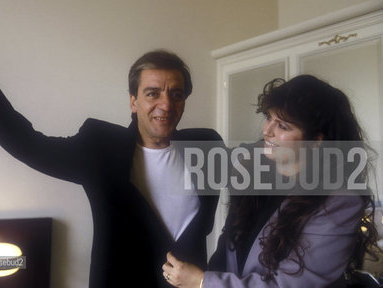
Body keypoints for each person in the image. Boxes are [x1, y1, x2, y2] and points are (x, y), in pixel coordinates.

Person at [0, 26, 221, 288]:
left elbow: (256, 185)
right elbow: (31, 146)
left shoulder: (207, 146)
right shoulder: (100, 148)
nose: (166, 104)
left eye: (177, 94)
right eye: (153, 93)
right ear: (133, 102)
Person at [162, 75, 380, 288]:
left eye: (283, 126)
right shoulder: (254, 177)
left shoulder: (339, 202)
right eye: (268, 117)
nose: (267, 131)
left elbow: (292, 284)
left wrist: (201, 282)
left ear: (316, 141)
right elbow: (227, 248)